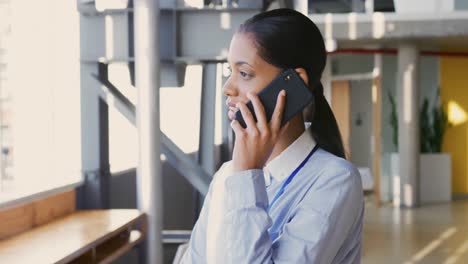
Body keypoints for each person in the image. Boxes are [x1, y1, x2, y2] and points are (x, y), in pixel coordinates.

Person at [181, 8, 364, 264]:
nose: (227, 88)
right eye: (229, 71)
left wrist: (247, 175)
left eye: (244, 73)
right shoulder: (226, 176)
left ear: (293, 83)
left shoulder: (336, 180)